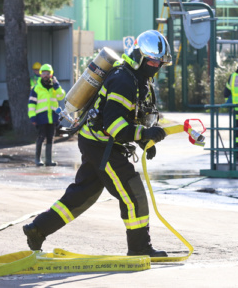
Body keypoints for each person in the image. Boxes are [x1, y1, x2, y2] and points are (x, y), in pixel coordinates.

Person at [22, 30, 171, 257]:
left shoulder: (139, 79)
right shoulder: (124, 80)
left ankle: (38, 229)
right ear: (140, 57)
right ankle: (139, 248)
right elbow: (114, 126)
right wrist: (143, 134)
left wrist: (144, 139)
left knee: (83, 195)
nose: (156, 67)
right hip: (103, 145)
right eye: (152, 61)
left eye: (160, 63)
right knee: (133, 193)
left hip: (99, 142)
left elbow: (132, 117)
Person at [28, 63, 65, 166]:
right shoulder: (36, 88)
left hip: (52, 117)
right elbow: (31, 104)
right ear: (40, 74)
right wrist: (32, 117)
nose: (45, 75)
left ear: (51, 74)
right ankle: (37, 159)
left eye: (47, 73)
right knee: (41, 137)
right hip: (41, 117)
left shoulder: (54, 87)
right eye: (43, 73)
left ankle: (48, 160)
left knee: (50, 137)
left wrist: (57, 85)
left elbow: (61, 96)